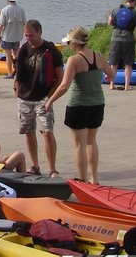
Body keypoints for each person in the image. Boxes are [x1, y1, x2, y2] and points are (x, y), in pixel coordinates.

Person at [46, 26, 116, 185]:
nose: (69, 45)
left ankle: (82, 178)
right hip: (98, 103)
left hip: (79, 105)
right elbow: (111, 74)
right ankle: (94, 178)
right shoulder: (98, 56)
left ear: (75, 43)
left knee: (79, 144)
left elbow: (64, 86)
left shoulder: (74, 60)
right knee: (91, 141)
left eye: (70, 42)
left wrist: (50, 101)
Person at [13, 19, 64, 178]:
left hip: (43, 98)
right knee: (28, 131)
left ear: (40, 32)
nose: (29, 39)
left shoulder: (50, 49)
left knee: (47, 132)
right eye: (26, 36)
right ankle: (34, 165)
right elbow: (18, 74)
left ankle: (52, 168)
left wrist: (50, 96)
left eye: (31, 35)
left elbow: (60, 77)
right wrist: (16, 90)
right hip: (25, 97)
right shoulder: (24, 50)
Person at [107, 0, 136, 91]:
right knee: (128, 64)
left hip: (115, 39)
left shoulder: (116, 10)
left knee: (113, 63)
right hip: (128, 40)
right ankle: (127, 86)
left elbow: (109, 23)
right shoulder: (134, 13)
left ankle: (112, 85)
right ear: (135, 3)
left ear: (127, 1)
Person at [0, 0, 27, 78]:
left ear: (7, 1)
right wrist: (26, 34)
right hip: (17, 36)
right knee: (17, 55)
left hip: (7, 36)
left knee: (8, 55)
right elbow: (25, 23)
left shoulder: (4, 10)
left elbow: (0, 25)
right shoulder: (21, 10)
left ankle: (10, 73)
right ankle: (18, 73)